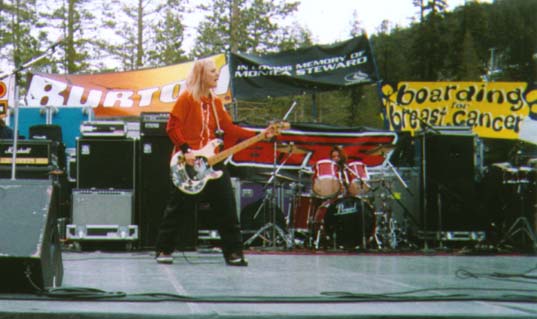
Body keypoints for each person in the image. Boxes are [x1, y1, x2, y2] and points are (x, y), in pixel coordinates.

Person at [155, 58, 275, 266]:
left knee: (227, 206)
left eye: (217, 72)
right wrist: (186, 150)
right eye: (212, 72)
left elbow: (229, 128)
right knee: (178, 208)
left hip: (213, 162)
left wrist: (259, 134)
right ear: (202, 74)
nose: (217, 75)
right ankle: (164, 249)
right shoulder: (186, 99)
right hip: (189, 162)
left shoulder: (216, 102)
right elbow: (172, 128)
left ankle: (234, 252)